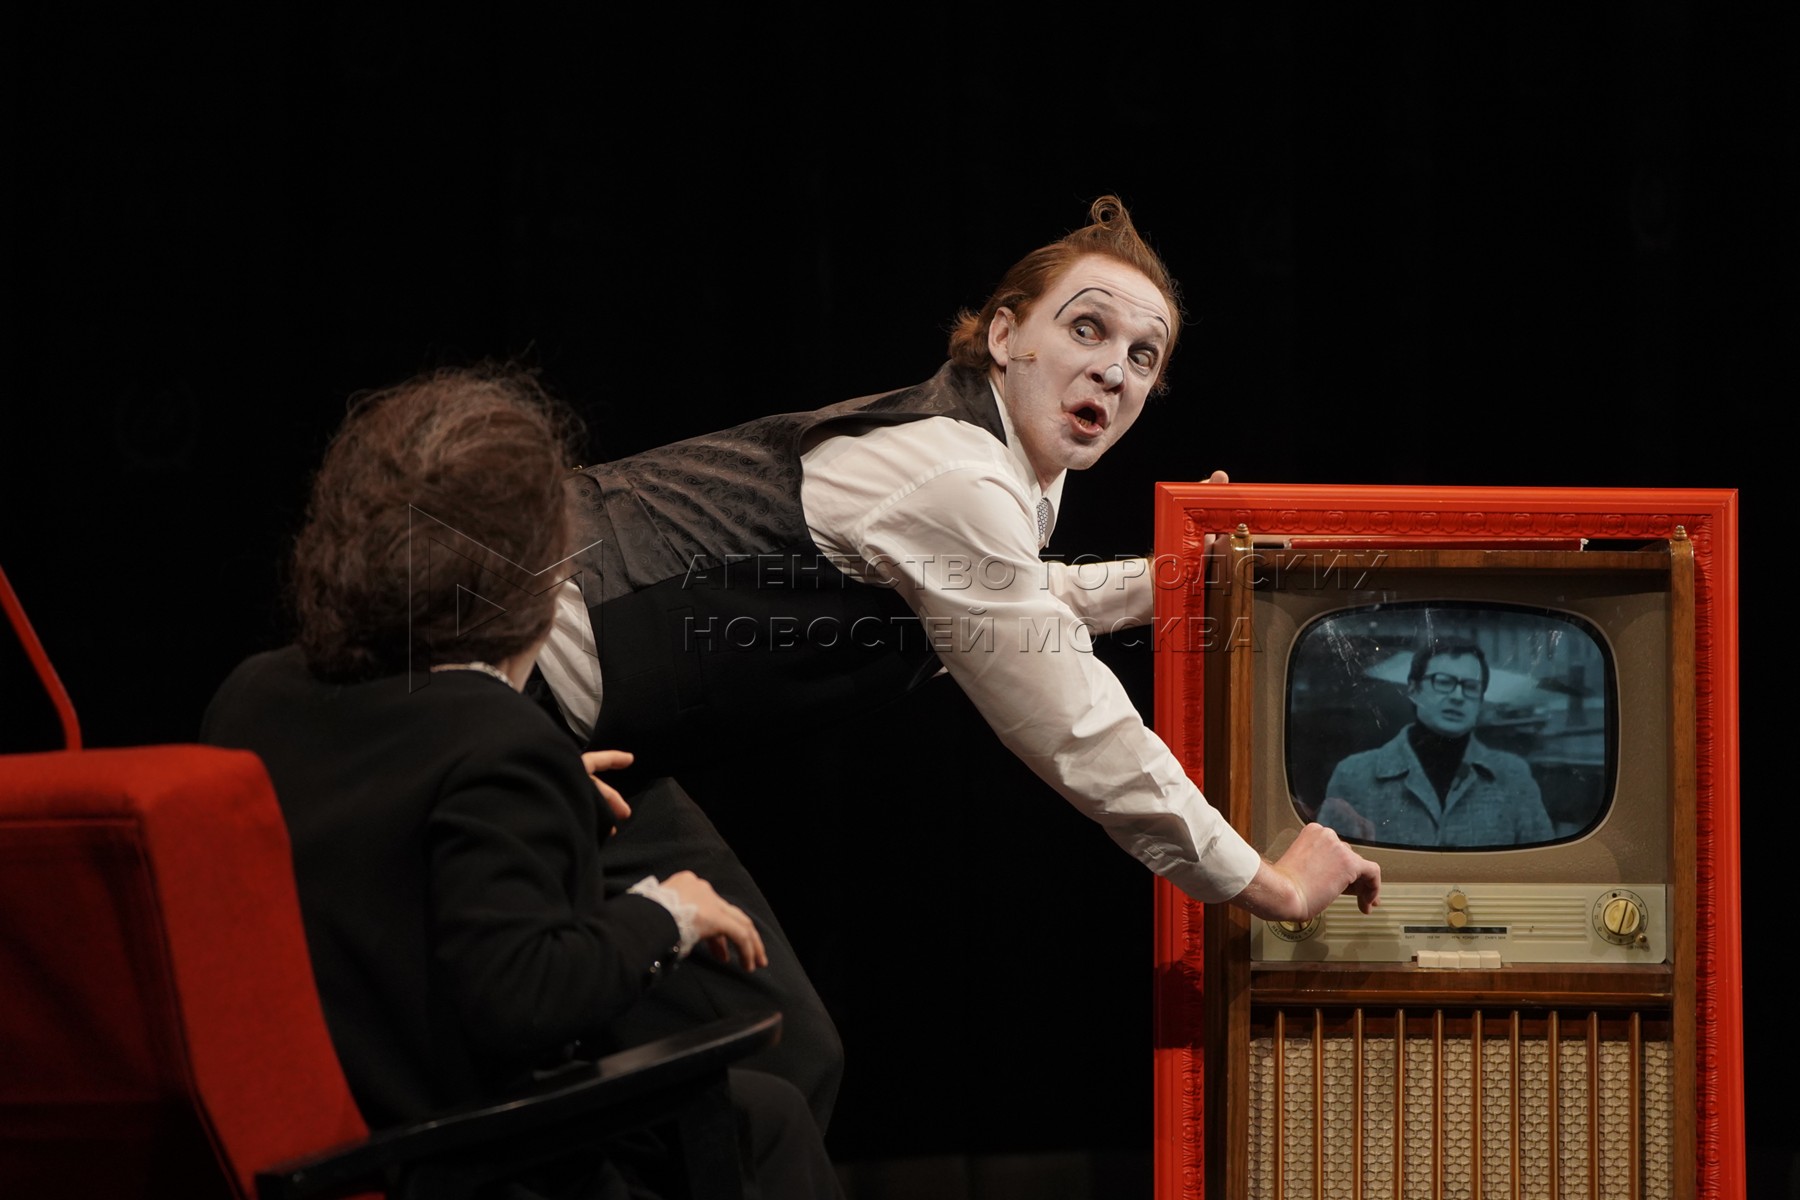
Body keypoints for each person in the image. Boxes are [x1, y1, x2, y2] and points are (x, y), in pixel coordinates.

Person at [530, 196, 1381, 1118]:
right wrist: (1271, 886)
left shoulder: (984, 476)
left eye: (1143, 357)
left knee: (771, 1053)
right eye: (1087, 328)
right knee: (720, 1056)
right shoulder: (954, 475)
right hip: (503, 694)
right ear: (1005, 337)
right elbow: (1078, 727)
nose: (1113, 368)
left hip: (591, 747)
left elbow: (1010, 600)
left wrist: (1173, 579)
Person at [201, 367, 842, 1200]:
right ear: (540, 571)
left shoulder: (253, 694)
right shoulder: (498, 736)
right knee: (765, 1115)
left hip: (323, 1117)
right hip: (462, 1153)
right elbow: (524, 1000)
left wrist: (523, 801)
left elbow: (367, 834)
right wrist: (667, 913)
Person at [1317, 637, 1557, 847]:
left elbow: (1540, 868)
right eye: (1443, 682)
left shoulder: (1513, 775)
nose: (1457, 696)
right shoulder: (1354, 775)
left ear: (1481, 700)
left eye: (1471, 687)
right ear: (1413, 689)